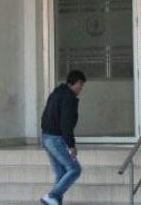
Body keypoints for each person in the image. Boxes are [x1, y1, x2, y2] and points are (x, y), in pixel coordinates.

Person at [40, 70, 86, 205]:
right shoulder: (69, 98)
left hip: (46, 137)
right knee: (74, 169)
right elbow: (66, 123)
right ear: (76, 82)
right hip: (55, 139)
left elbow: (45, 115)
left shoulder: (56, 93)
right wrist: (71, 145)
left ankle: (54, 201)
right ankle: (51, 196)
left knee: (61, 174)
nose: (81, 89)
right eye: (81, 85)